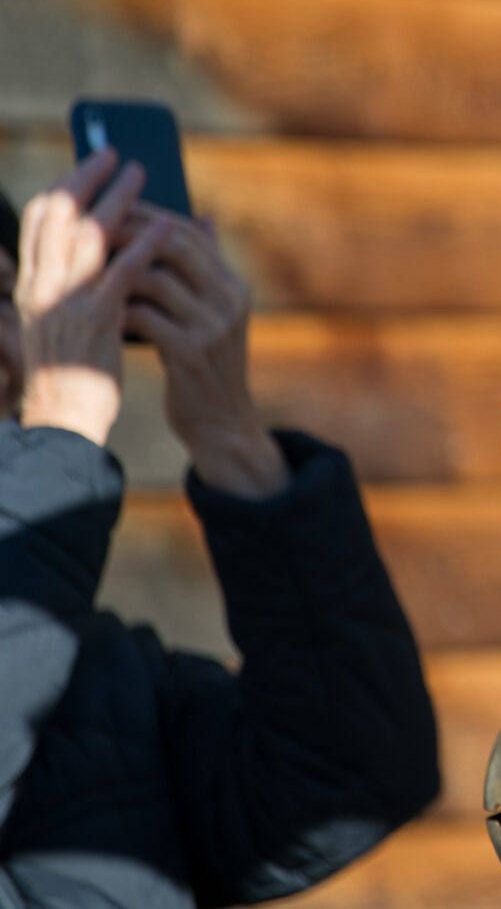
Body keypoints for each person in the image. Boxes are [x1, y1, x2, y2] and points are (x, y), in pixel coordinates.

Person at [0, 151, 438, 908]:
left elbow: (353, 778)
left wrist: (231, 437)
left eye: (7, 298)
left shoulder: (102, 673)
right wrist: (61, 433)